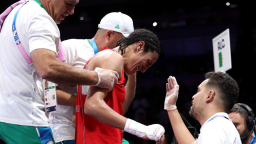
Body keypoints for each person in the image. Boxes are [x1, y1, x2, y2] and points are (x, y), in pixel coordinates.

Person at [0, 0, 118, 143]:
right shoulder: (41, 19)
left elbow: (45, 84)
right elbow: (47, 69)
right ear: (109, 34)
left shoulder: (19, 11)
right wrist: (97, 77)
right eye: (69, 3)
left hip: (11, 114)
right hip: (28, 118)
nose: (72, 11)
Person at [49, 12, 135, 144]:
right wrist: (82, 102)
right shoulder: (71, 48)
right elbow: (46, 94)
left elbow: (120, 109)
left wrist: (132, 76)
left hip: (100, 131)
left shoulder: (117, 61)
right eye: (123, 41)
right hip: (67, 131)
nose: (126, 46)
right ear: (109, 34)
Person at [75, 29, 165, 144]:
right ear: (139, 46)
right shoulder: (112, 58)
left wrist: (132, 76)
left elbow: (119, 110)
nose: (144, 70)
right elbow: (92, 105)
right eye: (147, 62)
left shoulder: (114, 62)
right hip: (98, 140)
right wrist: (143, 130)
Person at [164, 72, 241, 144]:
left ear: (209, 95)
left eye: (198, 91)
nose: (193, 96)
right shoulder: (221, 125)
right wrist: (171, 106)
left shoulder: (215, 127)